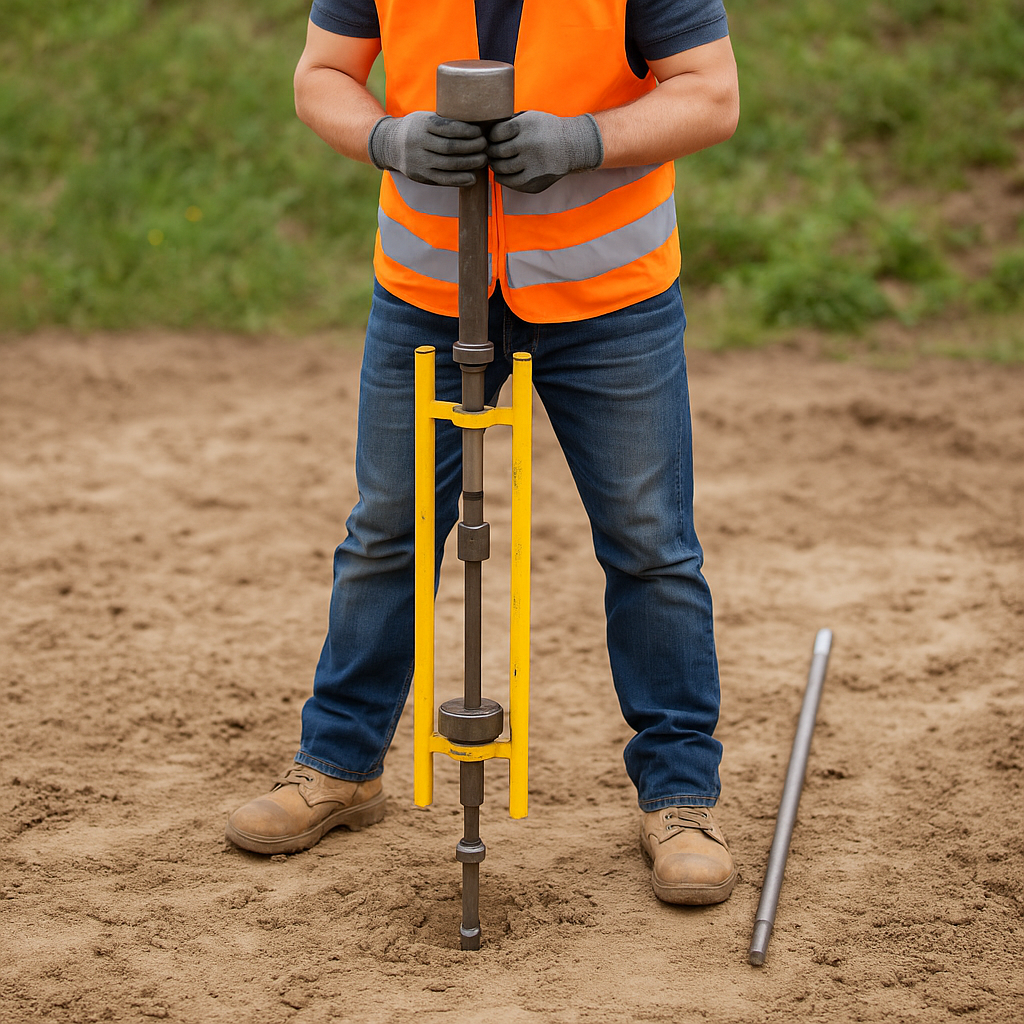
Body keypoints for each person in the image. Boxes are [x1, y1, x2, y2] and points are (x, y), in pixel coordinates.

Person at [226, 0, 740, 907]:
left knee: (651, 543)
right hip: (427, 287)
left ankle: (679, 799)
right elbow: (322, 77)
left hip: (607, 298)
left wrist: (583, 140)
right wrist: (388, 137)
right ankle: (341, 767)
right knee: (387, 528)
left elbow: (709, 97)